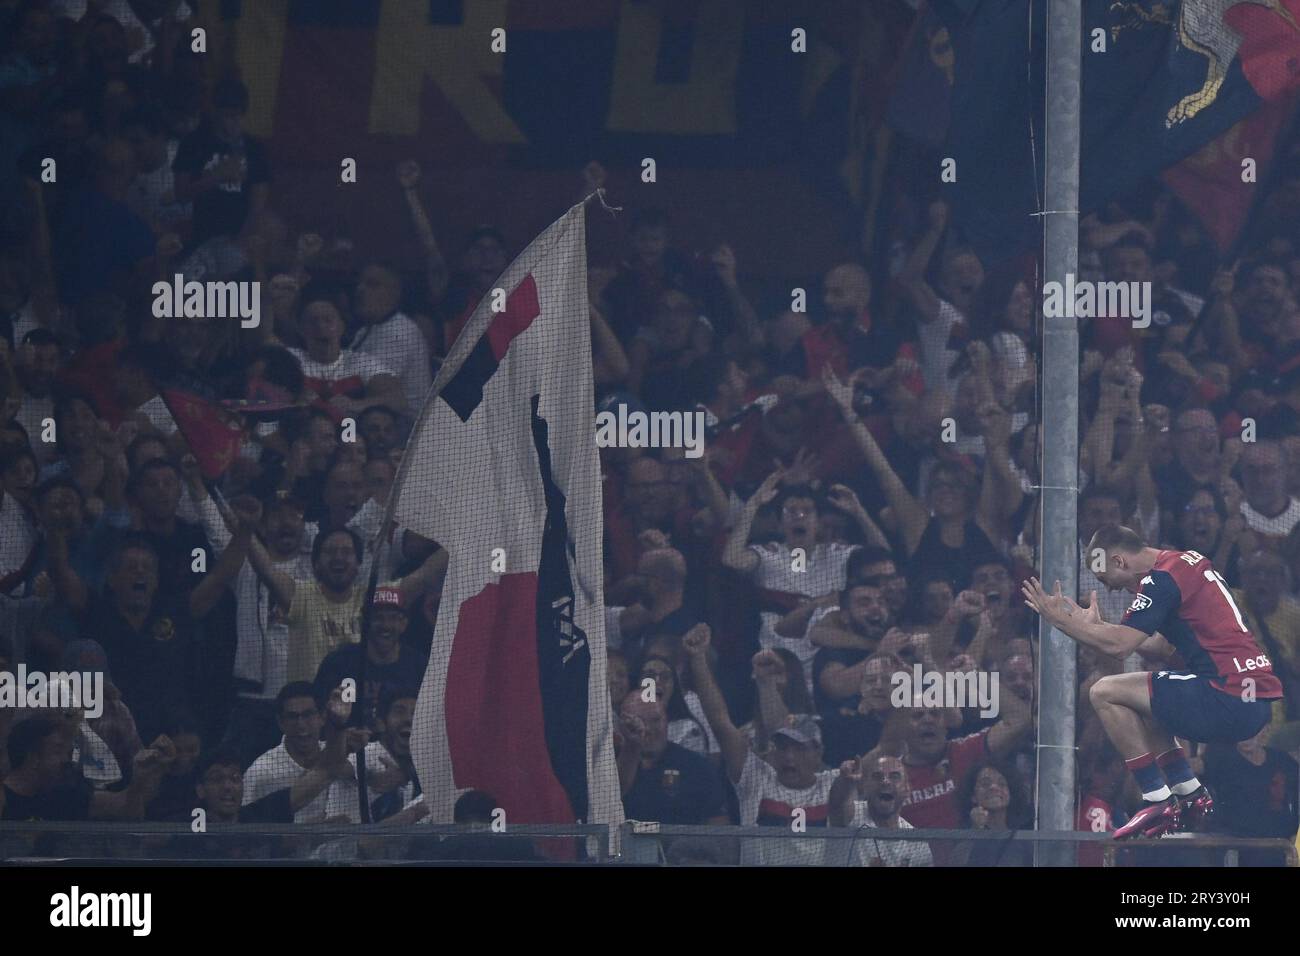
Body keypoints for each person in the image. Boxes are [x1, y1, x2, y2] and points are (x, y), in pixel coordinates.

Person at [1022, 524, 1284, 838]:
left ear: (1118, 561)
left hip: (1225, 695)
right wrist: (1100, 626)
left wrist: (1060, 620)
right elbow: (1162, 648)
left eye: (1108, 581)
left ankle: (1155, 797)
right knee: (1146, 699)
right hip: (1250, 699)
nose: (1113, 590)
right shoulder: (1186, 562)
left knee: (1104, 692)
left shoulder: (1160, 580)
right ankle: (1189, 792)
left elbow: (1119, 646)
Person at [682, 623, 840, 865]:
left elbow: (782, 725)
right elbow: (720, 722)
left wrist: (766, 683)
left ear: (818, 752)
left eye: (799, 748)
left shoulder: (832, 784)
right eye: (783, 748)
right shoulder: (755, 777)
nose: (789, 757)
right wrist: (698, 659)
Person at [616, 692, 729, 825]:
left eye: (656, 720)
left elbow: (719, 824)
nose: (648, 729)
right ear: (621, 725)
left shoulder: (696, 767)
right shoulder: (608, 764)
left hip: (683, 844)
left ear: (667, 720)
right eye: (639, 721)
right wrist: (632, 747)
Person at [829, 751, 933, 867]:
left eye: (894, 777)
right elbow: (836, 805)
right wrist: (845, 780)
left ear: (907, 789)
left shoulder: (916, 842)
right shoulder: (853, 816)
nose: (885, 781)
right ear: (865, 787)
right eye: (877, 776)